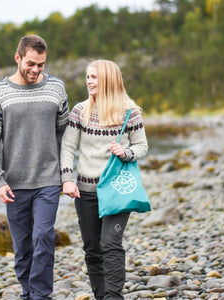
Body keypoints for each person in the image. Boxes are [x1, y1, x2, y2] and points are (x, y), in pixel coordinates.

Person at [0, 34, 69, 300]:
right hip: (14, 184)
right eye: (31, 63)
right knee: (22, 247)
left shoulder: (56, 89)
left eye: (41, 65)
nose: (35, 70)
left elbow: (65, 136)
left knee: (43, 237)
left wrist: (66, 176)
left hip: (48, 180)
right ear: (18, 58)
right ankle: (27, 292)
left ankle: (40, 296)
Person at [60, 59, 148, 300]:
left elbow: (142, 146)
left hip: (117, 190)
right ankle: (102, 296)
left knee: (110, 243)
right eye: (88, 77)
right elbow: (67, 148)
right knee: (92, 249)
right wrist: (67, 179)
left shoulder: (130, 113)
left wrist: (126, 152)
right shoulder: (80, 111)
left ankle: (113, 297)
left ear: (109, 80)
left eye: (94, 77)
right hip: (85, 191)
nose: (89, 81)